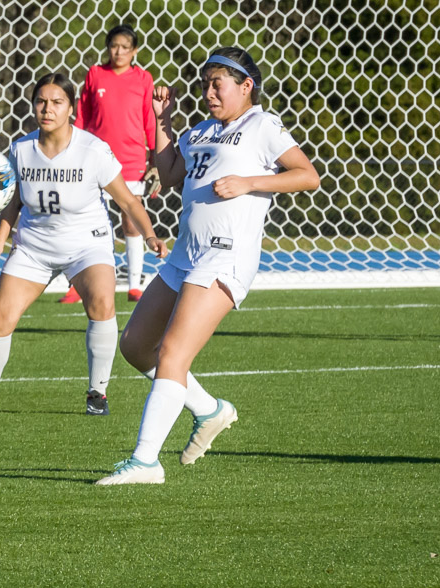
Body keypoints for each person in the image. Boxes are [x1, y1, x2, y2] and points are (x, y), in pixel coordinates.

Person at [96, 47, 319, 485]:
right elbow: (169, 172)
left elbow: (307, 175)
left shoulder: (262, 125)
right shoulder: (200, 131)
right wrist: (162, 121)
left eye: (218, 83)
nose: (209, 91)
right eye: (205, 84)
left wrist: (249, 182)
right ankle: (209, 409)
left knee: (175, 354)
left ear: (246, 86)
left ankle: (145, 462)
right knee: (136, 346)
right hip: (185, 254)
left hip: (225, 254)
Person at [0, 73, 168, 416]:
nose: (47, 108)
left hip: (87, 245)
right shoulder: (20, 150)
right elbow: (12, 201)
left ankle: (97, 395)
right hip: (33, 248)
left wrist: (150, 235)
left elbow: (128, 202)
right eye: (41, 101)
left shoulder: (93, 150)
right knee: (0, 318)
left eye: (57, 102)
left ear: (71, 108)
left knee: (101, 302)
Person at [60, 24, 160, 304]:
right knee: (86, 221)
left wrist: (154, 156)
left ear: (134, 51)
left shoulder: (143, 78)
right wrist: (72, 149)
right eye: (114, 46)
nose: (118, 52)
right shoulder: (95, 73)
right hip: (95, 158)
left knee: (131, 220)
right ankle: (78, 285)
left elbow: (149, 119)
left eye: (125, 47)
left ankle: (135, 283)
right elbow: (83, 115)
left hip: (131, 160)